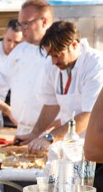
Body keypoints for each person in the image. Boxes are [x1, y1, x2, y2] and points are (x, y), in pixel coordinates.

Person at [14, 21, 103, 152]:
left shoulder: (96, 65)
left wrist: (50, 137)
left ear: (74, 45)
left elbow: (88, 115)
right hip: (69, 146)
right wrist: (35, 133)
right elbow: (51, 104)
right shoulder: (53, 65)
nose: (53, 61)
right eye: (50, 55)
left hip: (95, 147)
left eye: (58, 55)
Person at [0, 0, 53, 135]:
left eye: (26, 24)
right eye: (20, 24)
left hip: (48, 132)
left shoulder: (57, 54)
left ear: (44, 22)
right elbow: (1, 77)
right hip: (22, 129)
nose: (22, 30)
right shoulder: (20, 50)